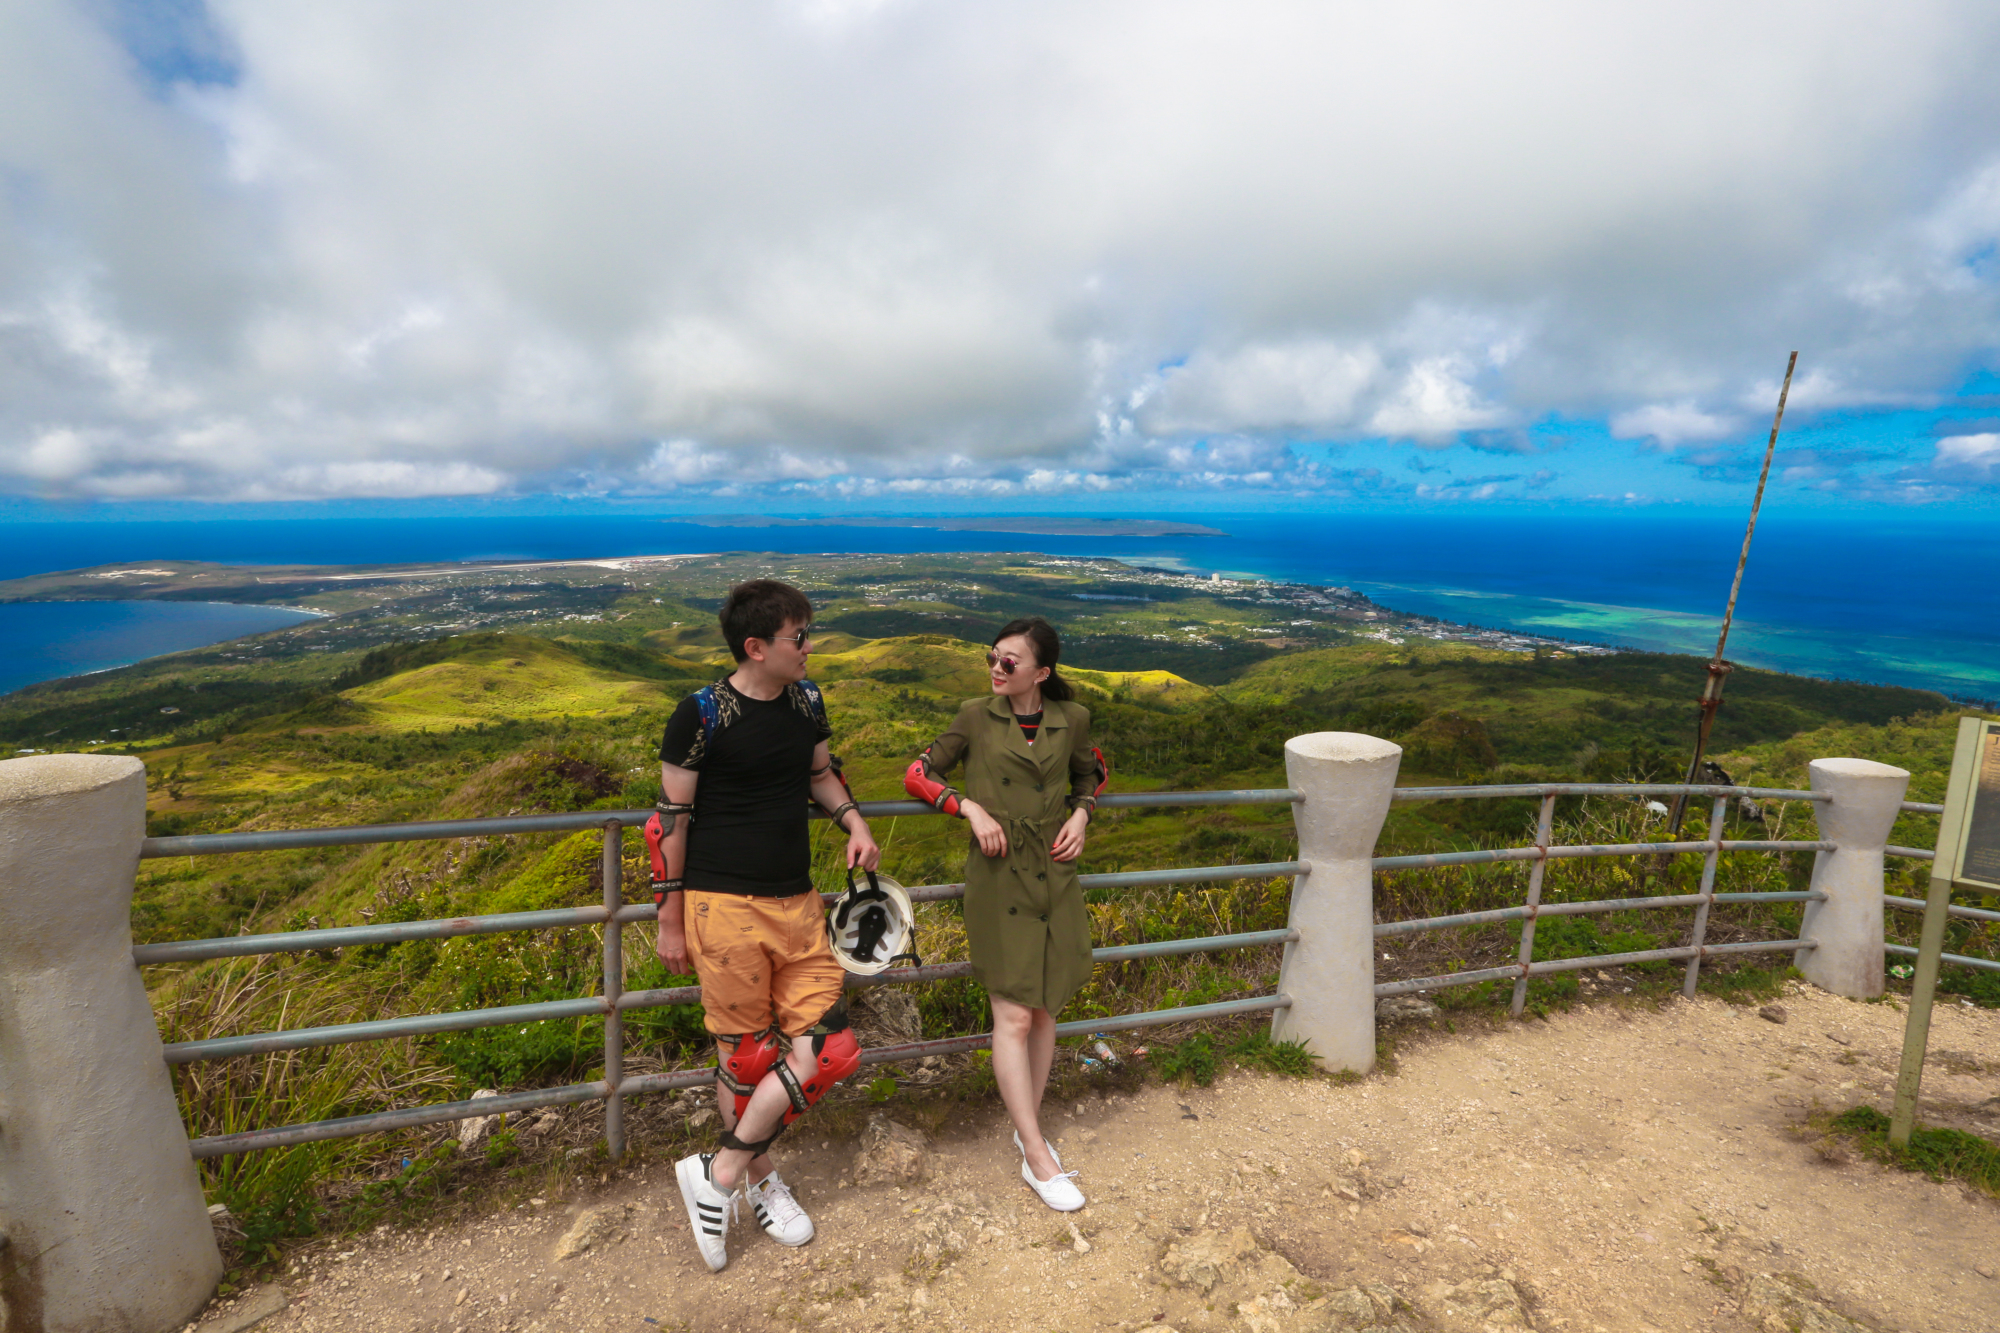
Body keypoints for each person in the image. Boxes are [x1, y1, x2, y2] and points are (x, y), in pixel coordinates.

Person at [648, 579, 880, 1273]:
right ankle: (759, 1179)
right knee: (746, 1059)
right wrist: (669, 917)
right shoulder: (700, 713)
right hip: (721, 905)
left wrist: (854, 819)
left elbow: (820, 775)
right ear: (757, 647)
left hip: (798, 902)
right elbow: (669, 822)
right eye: (798, 637)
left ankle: (717, 1172)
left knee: (832, 1049)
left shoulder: (807, 702)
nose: (810, 647)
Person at [902, 616, 1107, 1211]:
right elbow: (919, 772)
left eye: (1009, 662)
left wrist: (1082, 814)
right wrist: (966, 806)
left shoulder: (1074, 720)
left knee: (1045, 1009)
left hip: (1054, 868)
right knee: (1014, 1013)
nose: (996, 668)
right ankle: (1038, 1155)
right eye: (993, 656)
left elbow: (1090, 771)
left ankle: (1027, 1127)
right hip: (997, 873)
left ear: (1041, 672)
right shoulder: (974, 715)